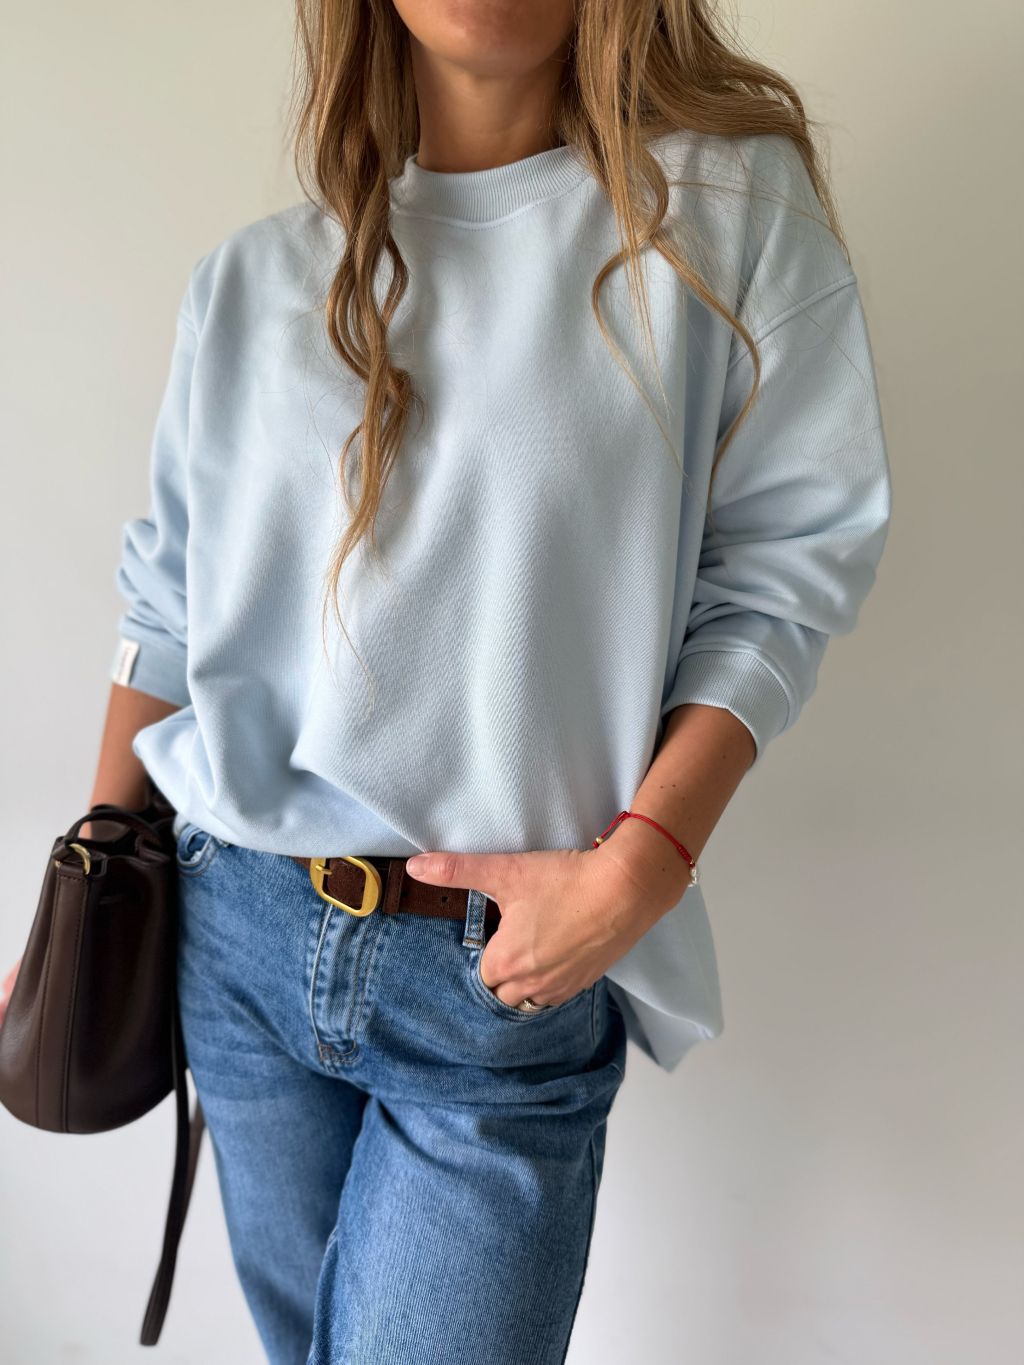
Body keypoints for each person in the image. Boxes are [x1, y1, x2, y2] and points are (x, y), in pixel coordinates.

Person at [2, 2, 893, 1361]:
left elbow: (786, 567)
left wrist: (645, 862)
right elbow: (166, 609)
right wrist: (85, 893)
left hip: (499, 973)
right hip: (235, 930)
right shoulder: (253, 279)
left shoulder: (720, 216)